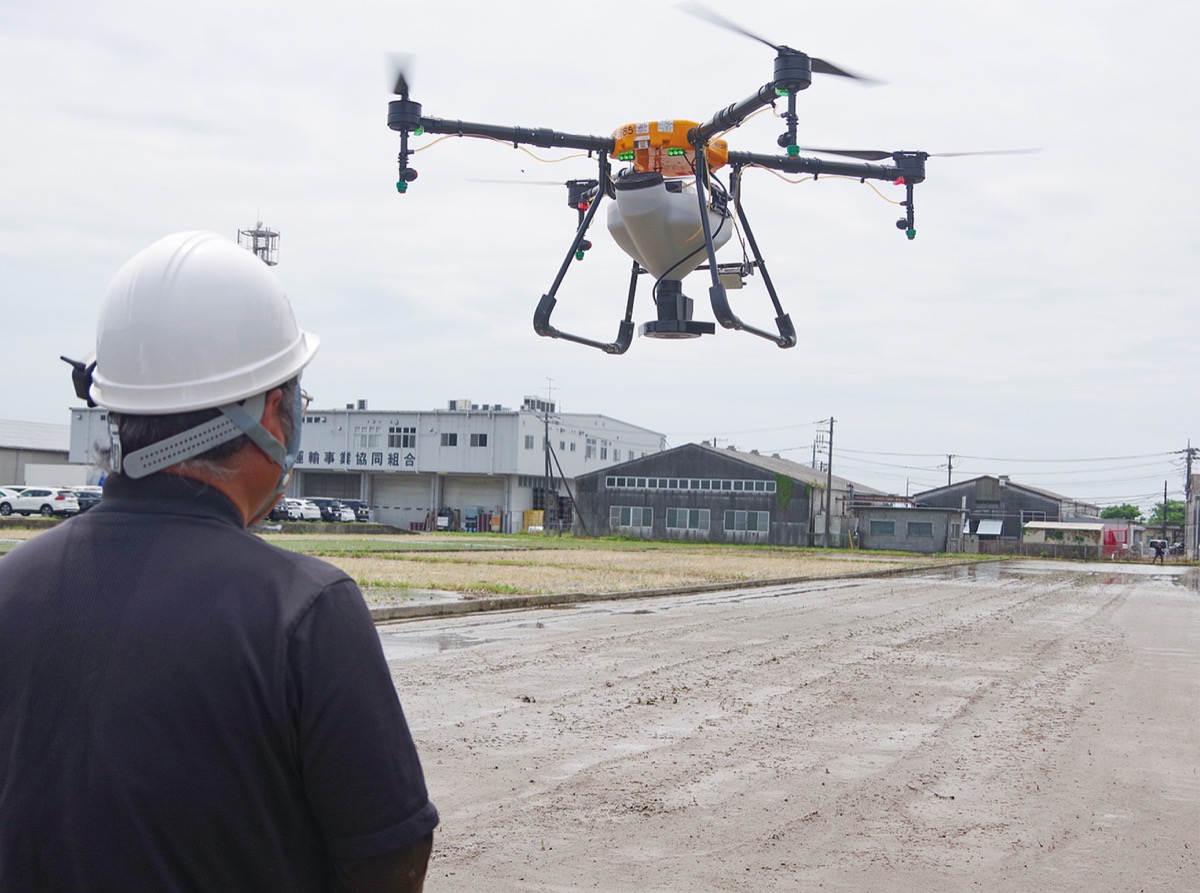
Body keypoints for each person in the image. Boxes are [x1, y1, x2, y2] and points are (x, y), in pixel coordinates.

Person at [0, 232, 438, 892]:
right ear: (269, 412)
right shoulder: (305, 610)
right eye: (296, 400)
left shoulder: (12, 586)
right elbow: (390, 853)